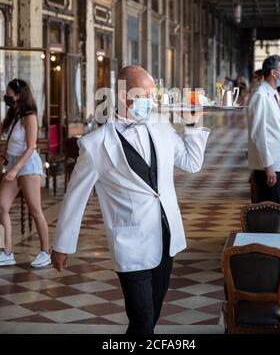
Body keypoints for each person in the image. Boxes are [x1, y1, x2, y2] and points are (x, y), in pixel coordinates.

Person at [51, 65, 210, 334]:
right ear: (125, 97)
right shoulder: (96, 144)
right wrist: (62, 245)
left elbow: (192, 163)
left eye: (152, 96)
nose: (151, 102)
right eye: (145, 96)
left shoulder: (160, 127)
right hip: (130, 244)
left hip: (166, 237)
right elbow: (75, 197)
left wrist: (193, 124)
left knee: (153, 315)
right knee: (142, 319)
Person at [0, 78, 50, 267]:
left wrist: (14, 170)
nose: (6, 97)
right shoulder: (13, 115)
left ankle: (46, 251)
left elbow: (30, 148)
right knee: (2, 206)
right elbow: (8, 144)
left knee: (35, 210)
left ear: (19, 95)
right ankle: (7, 251)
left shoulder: (30, 116)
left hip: (27, 164)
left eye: (9, 94)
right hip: (12, 163)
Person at [248, 55, 280, 203]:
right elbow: (258, 134)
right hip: (268, 166)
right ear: (274, 73)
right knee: (270, 212)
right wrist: (268, 166)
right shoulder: (261, 96)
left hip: (277, 163)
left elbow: (276, 131)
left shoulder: (273, 94)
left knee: (278, 207)